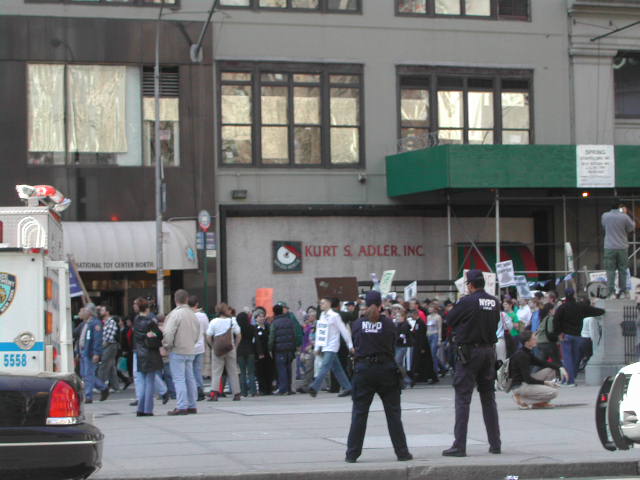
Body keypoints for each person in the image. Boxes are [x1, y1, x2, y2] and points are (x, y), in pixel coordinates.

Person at [345, 290, 412, 463]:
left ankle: (352, 453)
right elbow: (393, 343)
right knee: (393, 414)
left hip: (364, 370)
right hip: (386, 371)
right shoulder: (389, 324)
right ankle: (402, 452)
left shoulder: (358, 324)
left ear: (365, 305)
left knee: (359, 413)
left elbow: (355, 343)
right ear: (382, 305)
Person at [442, 269, 501, 457]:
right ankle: (495, 443)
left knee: (463, 398)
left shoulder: (467, 301)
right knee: (488, 398)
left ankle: (459, 445)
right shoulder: (494, 301)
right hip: (488, 352)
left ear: (470, 285)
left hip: (469, 353)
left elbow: (449, 320)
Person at [552, 288, 605, 386]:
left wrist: (558, 333)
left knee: (568, 359)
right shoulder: (580, 306)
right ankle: (572, 377)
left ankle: (569, 380)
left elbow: (556, 321)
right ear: (574, 295)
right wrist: (604, 310)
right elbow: (596, 311)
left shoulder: (562, 308)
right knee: (576, 359)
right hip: (578, 336)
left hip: (566, 335)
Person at [163, 289, 201, 416]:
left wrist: (167, 345)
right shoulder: (193, 314)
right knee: (190, 378)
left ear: (175, 300)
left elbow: (168, 332)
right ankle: (192, 405)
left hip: (177, 349)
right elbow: (197, 333)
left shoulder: (175, 314)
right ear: (187, 299)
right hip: (190, 349)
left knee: (179, 379)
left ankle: (181, 406)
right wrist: (192, 343)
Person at [509, 330, 568, 409]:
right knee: (554, 392)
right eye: (533, 339)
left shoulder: (527, 352)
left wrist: (560, 368)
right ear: (527, 343)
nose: (536, 340)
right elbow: (528, 379)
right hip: (520, 386)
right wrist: (546, 383)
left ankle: (539, 403)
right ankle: (521, 398)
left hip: (525, 382)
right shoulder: (522, 356)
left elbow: (542, 363)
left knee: (551, 370)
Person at [308, 297, 353, 398]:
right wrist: (317, 347)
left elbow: (343, 330)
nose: (321, 305)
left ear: (329, 304)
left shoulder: (335, 316)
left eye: (323, 303)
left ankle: (315, 387)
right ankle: (348, 387)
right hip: (324, 345)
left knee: (325, 366)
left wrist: (350, 345)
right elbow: (320, 332)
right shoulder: (322, 315)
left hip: (332, 346)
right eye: (321, 303)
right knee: (337, 368)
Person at [132, 297, 163, 416]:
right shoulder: (150, 322)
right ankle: (148, 409)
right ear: (147, 308)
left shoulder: (136, 321)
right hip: (150, 354)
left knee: (143, 382)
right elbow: (160, 335)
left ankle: (141, 408)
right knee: (149, 382)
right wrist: (153, 334)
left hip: (140, 354)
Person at [207, 303, 242, 401]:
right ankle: (237, 393)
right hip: (230, 348)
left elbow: (208, 336)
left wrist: (212, 346)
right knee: (233, 371)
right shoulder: (232, 320)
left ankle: (214, 393)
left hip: (218, 349)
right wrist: (235, 346)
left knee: (216, 371)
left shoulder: (213, 322)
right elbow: (239, 335)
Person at [601, 200, 636, 299]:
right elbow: (631, 227)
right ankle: (623, 291)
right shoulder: (624, 217)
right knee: (623, 270)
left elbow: (604, 227)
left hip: (609, 247)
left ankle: (611, 292)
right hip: (622, 247)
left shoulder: (605, 216)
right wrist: (625, 213)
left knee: (610, 270)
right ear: (620, 206)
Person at [80, 303, 110, 404]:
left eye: (85, 310)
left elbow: (97, 339)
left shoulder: (95, 323)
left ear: (89, 312)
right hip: (84, 351)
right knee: (85, 374)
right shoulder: (87, 323)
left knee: (89, 374)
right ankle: (103, 387)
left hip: (90, 352)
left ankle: (88, 396)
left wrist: (96, 353)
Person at [269, 304, 301, 395]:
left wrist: (270, 348)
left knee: (281, 368)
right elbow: (294, 335)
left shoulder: (274, 323)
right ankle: (289, 388)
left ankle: (283, 389)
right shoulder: (290, 321)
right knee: (288, 368)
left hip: (279, 349)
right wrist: (294, 346)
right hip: (290, 349)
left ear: (274, 312)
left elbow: (272, 337)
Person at [188, 295, 210, 401]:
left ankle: (193, 391)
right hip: (200, 346)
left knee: (190, 370)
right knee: (198, 370)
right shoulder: (203, 316)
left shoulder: (187, 315)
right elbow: (207, 331)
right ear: (197, 304)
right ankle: (200, 390)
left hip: (189, 346)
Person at [98, 304, 123, 391]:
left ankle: (100, 385)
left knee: (104, 365)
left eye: (102, 310)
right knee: (111, 366)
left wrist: (102, 346)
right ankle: (115, 386)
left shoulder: (111, 321)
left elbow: (109, 337)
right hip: (109, 345)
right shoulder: (105, 321)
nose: (101, 311)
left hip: (110, 345)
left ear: (107, 312)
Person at [236, 311, 257, 397]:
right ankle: (253, 391)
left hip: (240, 351)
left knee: (242, 372)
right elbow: (256, 340)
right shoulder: (252, 327)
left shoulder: (237, 329)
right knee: (251, 372)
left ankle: (243, 392)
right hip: (250, 350)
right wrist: (258, 352)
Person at [254, 308, 273, 395]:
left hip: (268, 353)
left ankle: (269, 388)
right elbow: (255, 342)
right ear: (256, 318)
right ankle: (262, 389)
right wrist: (259, 353)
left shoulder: (268, 327)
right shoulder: (255, 329)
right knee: (260, 371)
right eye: (259, 317)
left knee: (269, 371)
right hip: (260, 354)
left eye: (262, 316)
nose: (261, 318)